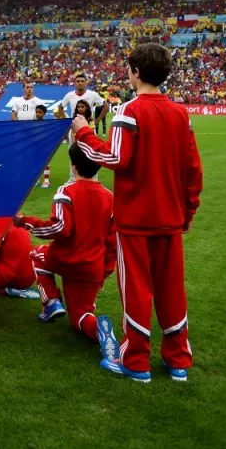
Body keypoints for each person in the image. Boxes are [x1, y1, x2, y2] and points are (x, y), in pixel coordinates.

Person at [73, 43, 203, 383]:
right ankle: (178, 361)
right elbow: (193, 170)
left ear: (136, 72)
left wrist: (83, 132)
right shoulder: (180, 114)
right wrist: (187, 213)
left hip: (135, 221)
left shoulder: (130, 111)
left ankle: (136, 361)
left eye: (129, 68)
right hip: (170, 219)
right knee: (172, 288)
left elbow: (117, 158)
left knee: (137, 289)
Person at [15, 144, 119, 362]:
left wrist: (25, 222)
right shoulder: (109, 197)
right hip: (92, 268)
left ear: (73, 166)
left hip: (65, 259)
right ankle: (98, 329)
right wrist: (105, 271)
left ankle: (51, 301)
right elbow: (113, 241)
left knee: (37, 255)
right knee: (81, 316)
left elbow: (60, 228)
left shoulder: (67, 192)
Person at [0, 225, 37, 299]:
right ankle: (15, 289)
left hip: (9, 276)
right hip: (29, 277)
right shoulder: (18, 221)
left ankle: (0, 289)